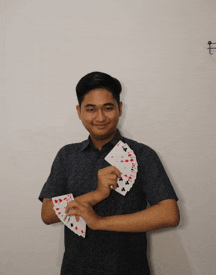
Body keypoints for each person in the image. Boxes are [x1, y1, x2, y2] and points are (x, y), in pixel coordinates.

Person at [39, 71, 180, 275]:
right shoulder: (67, 155)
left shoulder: (142, 154)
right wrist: (96, 195)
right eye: (91, 109)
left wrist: (99, 222)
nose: (100, 117)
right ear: (79, 112)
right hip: (76, 269)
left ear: (120, 108)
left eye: (108, 108)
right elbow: (47, 213)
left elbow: (169, 214)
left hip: (129, 269)